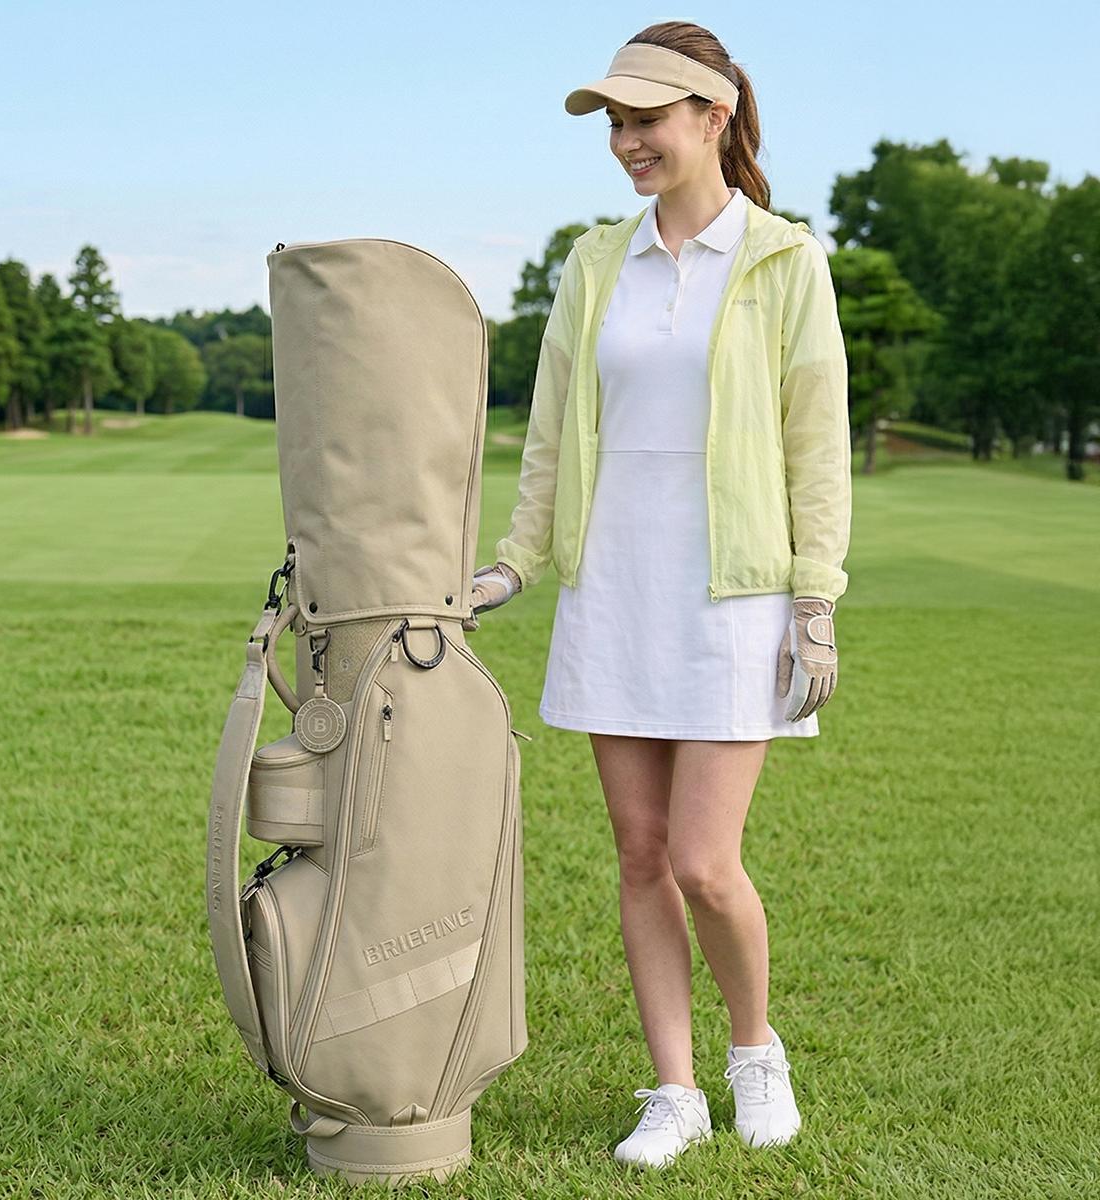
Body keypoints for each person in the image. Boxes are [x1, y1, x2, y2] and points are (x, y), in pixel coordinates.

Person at [471, 21, 850, 1170]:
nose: (628, 141)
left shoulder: (784, 259)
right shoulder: (595, 263)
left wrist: (815, 601)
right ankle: (674, 1090)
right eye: (616, 124)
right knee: (639, 856)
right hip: (613, 589)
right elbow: (550, 433)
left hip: (734, 597)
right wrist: (515, 560)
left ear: (712, 116)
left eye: (647, 119)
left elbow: (816, 444)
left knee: (703, 864)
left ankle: (754, 1053)